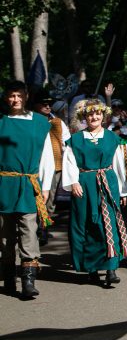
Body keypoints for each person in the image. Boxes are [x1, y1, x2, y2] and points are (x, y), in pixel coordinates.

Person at [62, 99, 127, 286]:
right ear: (84, 116)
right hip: (84, 184)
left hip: (108, 182)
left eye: (98, 114)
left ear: (103, 115)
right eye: (90, 114)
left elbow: (118, 165)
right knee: (88, 224)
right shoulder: (75, 140)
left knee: (108, 223)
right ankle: (91, 267)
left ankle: (111, 268)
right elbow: (69, 162)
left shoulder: (111, 137)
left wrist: (123, 191)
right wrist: (73, 182)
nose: (94, 117)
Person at [0, 81, 54, 299]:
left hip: (29, 184)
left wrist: (47, 185)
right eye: (11, 96)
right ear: (6, 98)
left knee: (28, 231)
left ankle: (28, 281)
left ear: (26, 96)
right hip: (4, 184)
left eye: (19, 95)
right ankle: (8, 276)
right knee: (4, 236)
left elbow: (47, 157)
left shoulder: (40, 123)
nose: (15, 100)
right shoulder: (1, 123)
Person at [30, 90, 70, 245]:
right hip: (32, 166)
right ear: (36, 105)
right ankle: (30, 228)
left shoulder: (58, 122)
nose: (48, 106)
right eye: (44, 103)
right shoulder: (30, 121)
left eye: (50, 104)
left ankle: (43, 228)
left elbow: (67, 142)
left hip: (55, 166)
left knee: (50, 199)